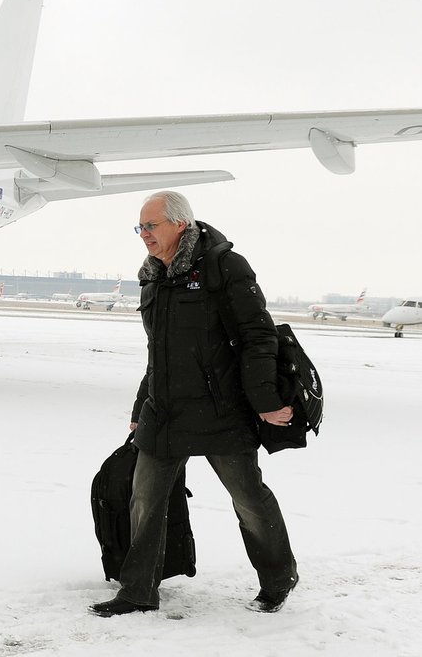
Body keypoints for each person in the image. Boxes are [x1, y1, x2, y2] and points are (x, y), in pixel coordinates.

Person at [90, 190, 298, 618]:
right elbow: (158, 352)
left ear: (180, 224)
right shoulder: (152, 275)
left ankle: (279, 577)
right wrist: (139, 408)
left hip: (220, 411)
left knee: (248, 499)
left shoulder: (224, 266)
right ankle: (138, 592)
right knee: (143, 500)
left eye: (151, 226)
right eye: (140, 227)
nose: (144, 234)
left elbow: (258, 335)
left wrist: (264, 400)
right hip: (164, 412)